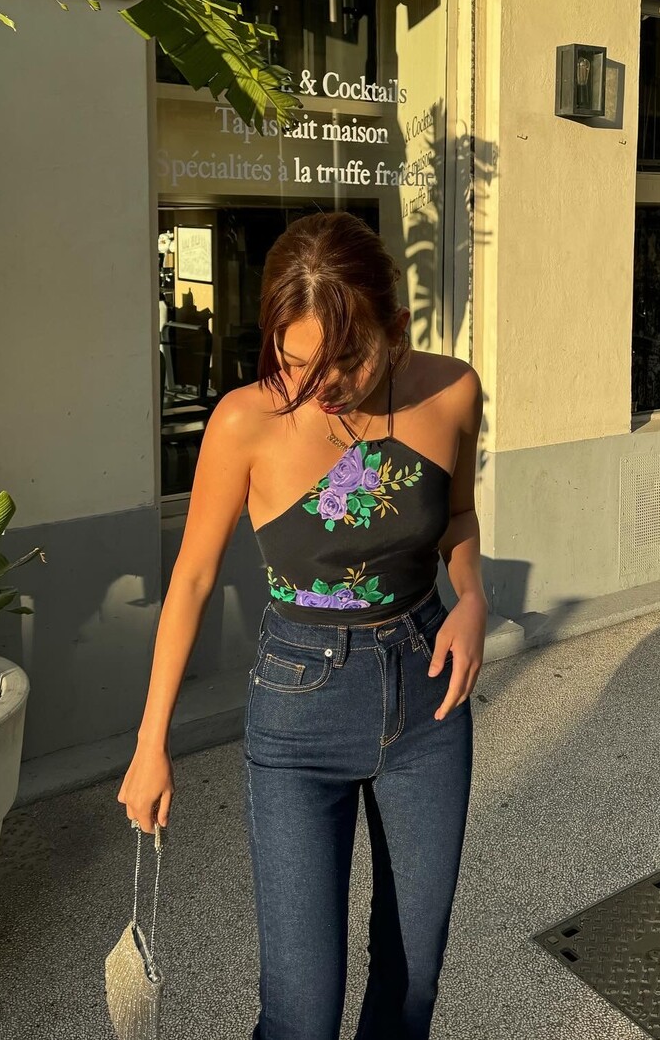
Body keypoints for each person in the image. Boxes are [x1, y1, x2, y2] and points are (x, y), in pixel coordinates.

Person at [118, 209, 487, 1040]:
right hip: (298, 706)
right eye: (295, 361)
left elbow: (458, 517)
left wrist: (472, 598)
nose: (322, 386)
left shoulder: (453, 391)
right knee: (302, 1012)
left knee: (409, 988)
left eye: (348, 360)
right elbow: (193, 580)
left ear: (397, 330)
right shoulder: (244, 422)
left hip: (428, 699)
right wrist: (151, 742)